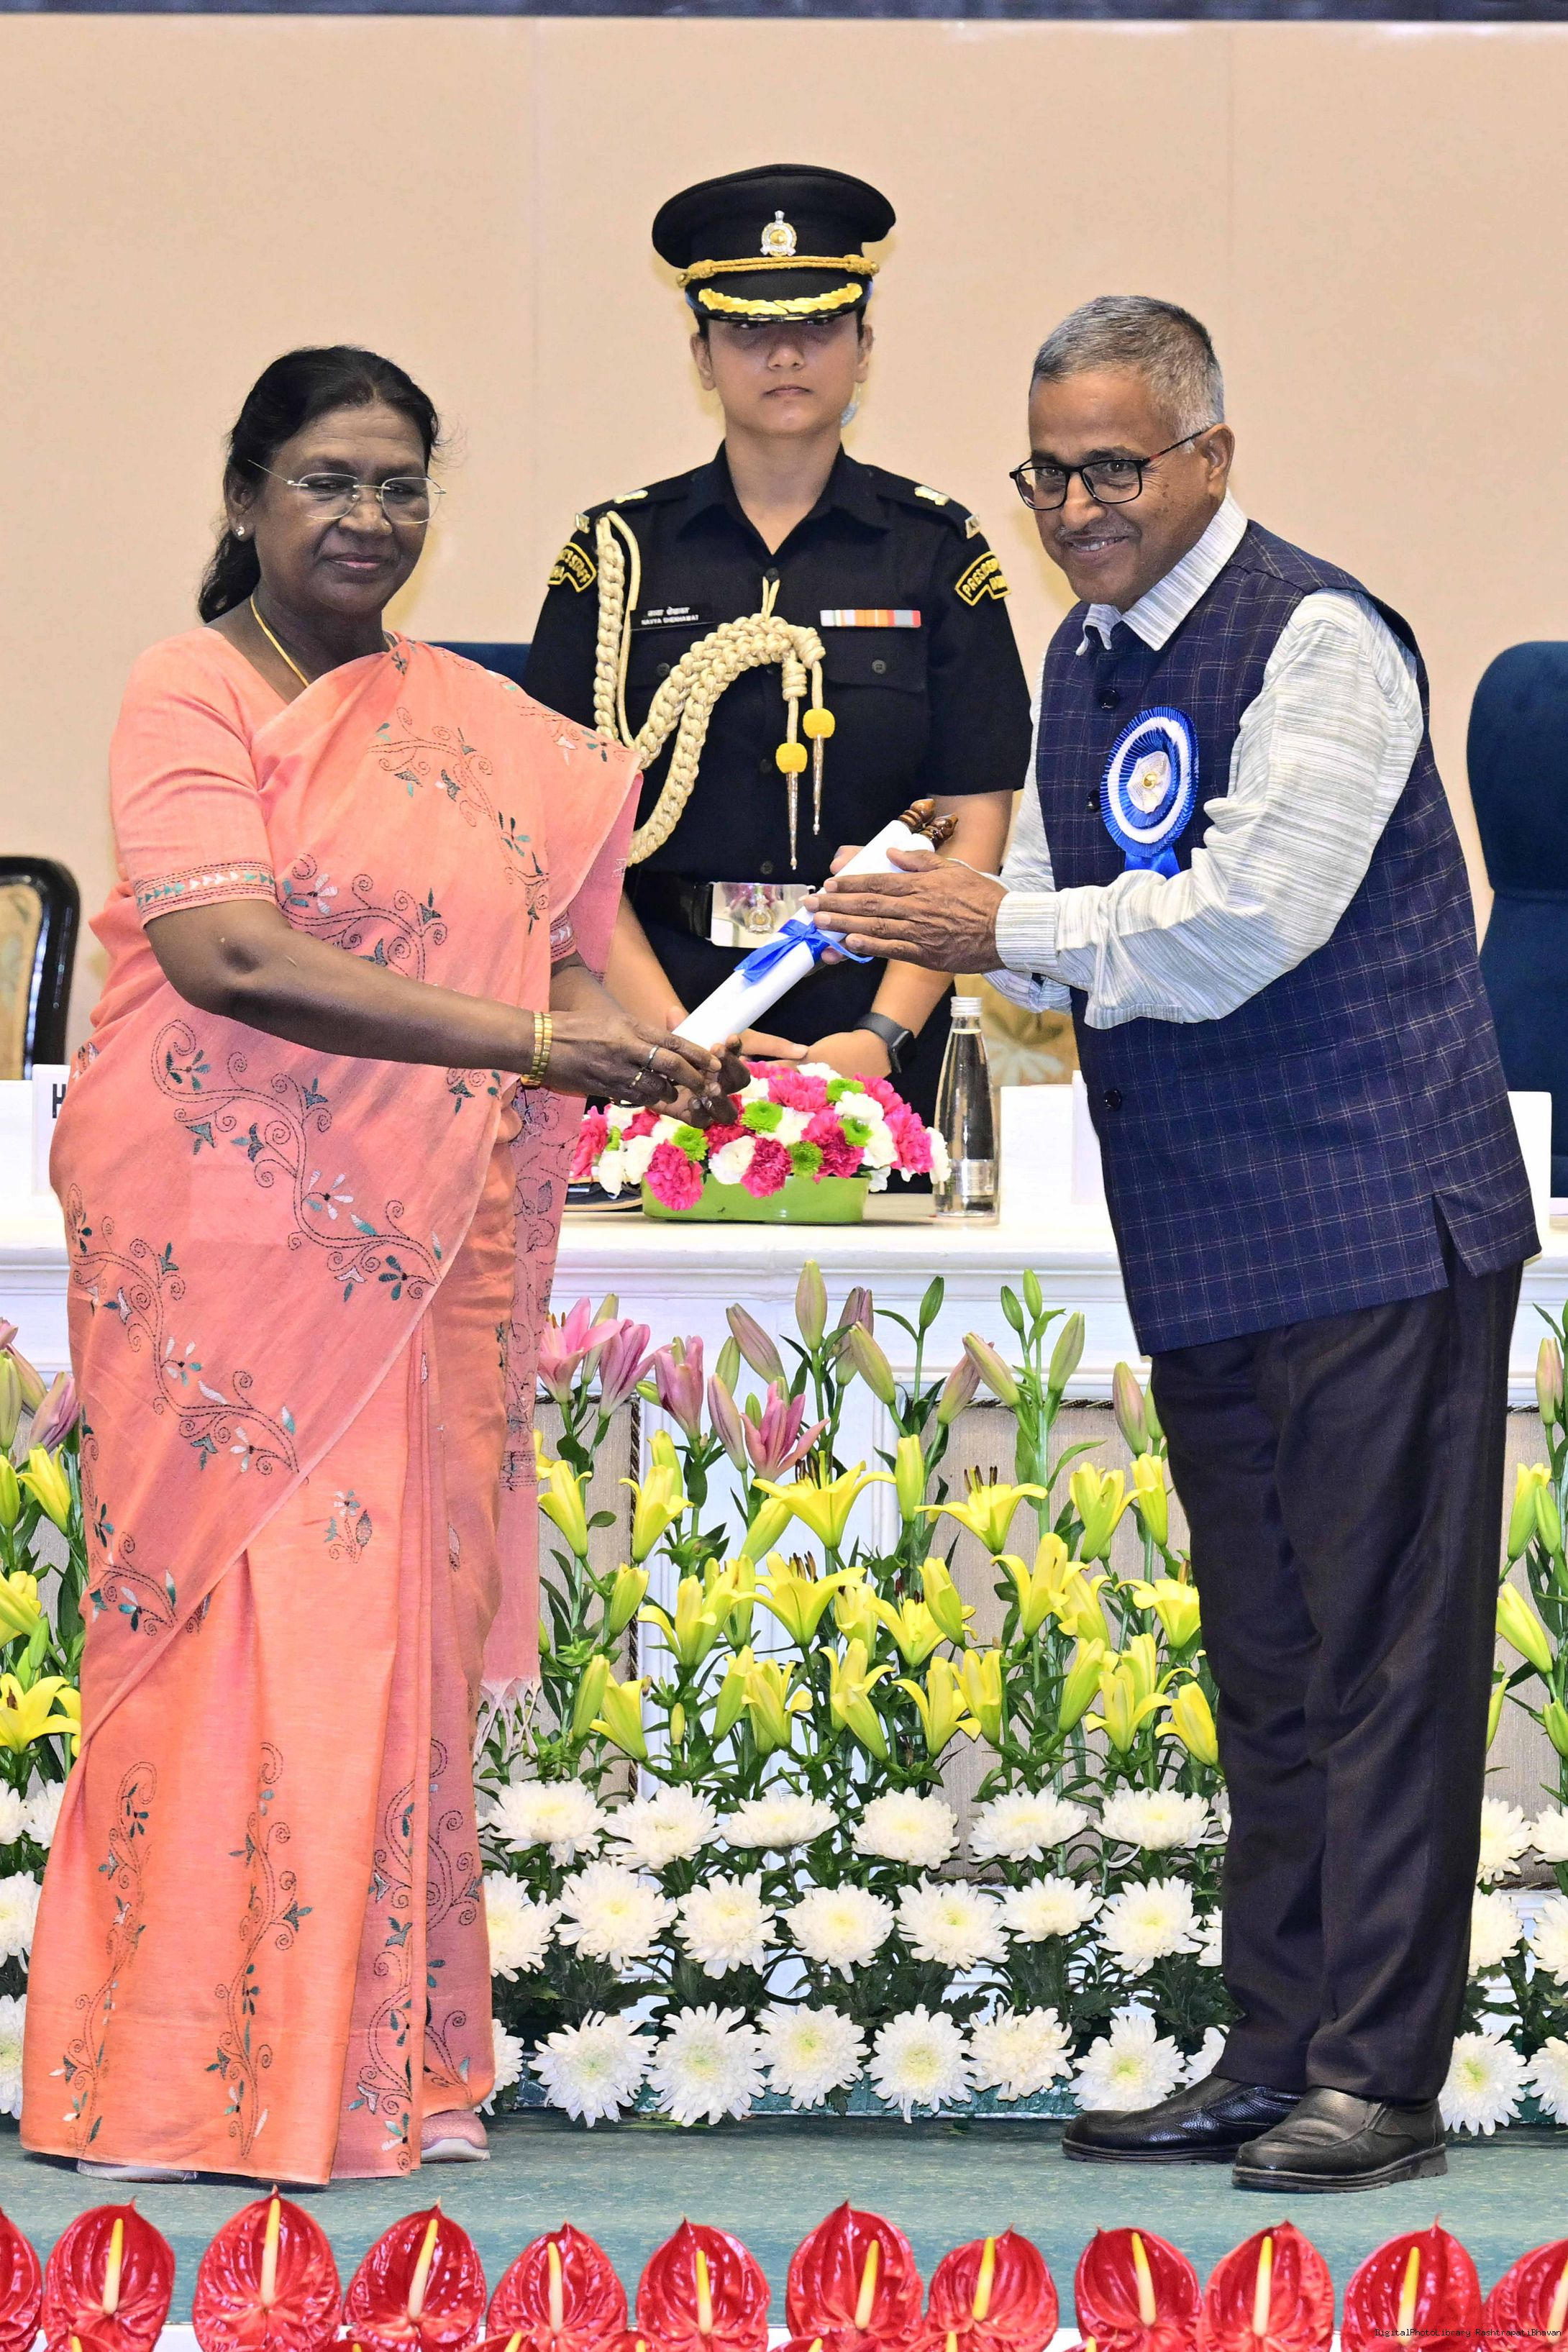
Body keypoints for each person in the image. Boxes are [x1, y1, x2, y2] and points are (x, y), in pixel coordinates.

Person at [813, 296, 1538, 2193]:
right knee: (1272, 1670)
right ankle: (1274, 2049)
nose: (1076, 508)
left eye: (1113, 469)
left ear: (1209, 455)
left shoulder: (1318, 638)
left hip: (1376, 1222)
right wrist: (938, 906)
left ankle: (1377, 2081)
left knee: (1382, 1672)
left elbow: (1239, 923)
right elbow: (1071, 929)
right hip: (1217, 1239)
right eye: (1048, 473)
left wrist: (992, 927)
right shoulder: (1084, 653)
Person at [20, 346, 738, 2185]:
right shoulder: (188, 689)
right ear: (247, 496)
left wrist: (688, 1049)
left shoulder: (483, 729)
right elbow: (232, 958)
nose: (368, 517)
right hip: (216, 1251)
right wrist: (538, 1043)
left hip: (416, 1248)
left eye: (400, 484)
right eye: (328, 480)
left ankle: (370, 2072)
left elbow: (562, 959)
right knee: (219, 1637)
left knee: (375, 1648)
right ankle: (172, 2076)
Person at [521, 163, 1028, 1121]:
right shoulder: (617, 553)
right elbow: (561, 831)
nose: (786, 354)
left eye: (820, 327)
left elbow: (971, 811)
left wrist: (881, 1036)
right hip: (649, 1021)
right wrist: (677, 1036)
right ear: (703, 355)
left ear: (865, 346)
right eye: (749, 331)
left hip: (874, 1013)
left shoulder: (936, 551)